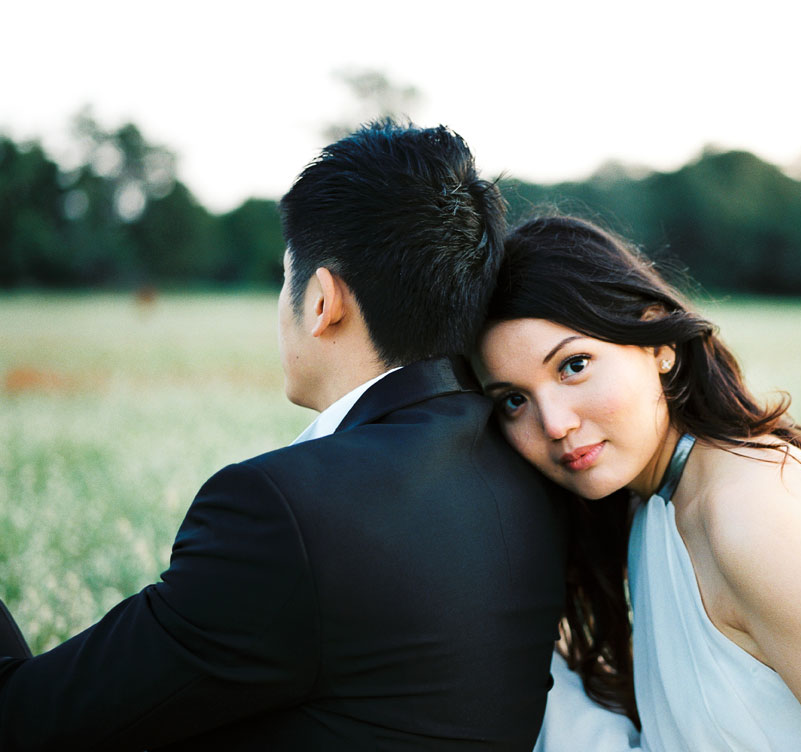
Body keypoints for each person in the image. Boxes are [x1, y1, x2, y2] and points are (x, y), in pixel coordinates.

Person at [0, 121, 567, 750]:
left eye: (285, 276)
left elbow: (23, 722)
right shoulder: (530, 471)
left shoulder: (283, 513)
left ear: (323, 300)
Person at [472, 216, 801, 751]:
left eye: (574, 365)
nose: (554, 423)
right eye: (513, 400)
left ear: (658, 343)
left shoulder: (753, 516)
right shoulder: (657, 503)